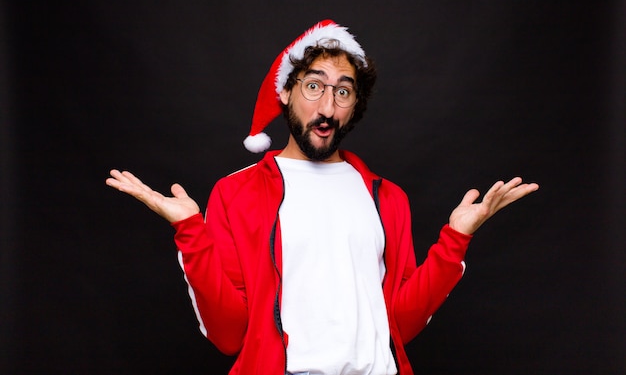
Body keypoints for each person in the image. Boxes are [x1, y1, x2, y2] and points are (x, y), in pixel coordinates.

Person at [106, 20, 539, 375]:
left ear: (354, 105)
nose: (328, 108)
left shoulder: (388, 199)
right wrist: (189, 233)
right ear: (285, 91)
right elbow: (228, 333)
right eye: (314, 86)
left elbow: (399, 324)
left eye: (343, 91)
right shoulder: (237, 192)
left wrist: (455, 241)